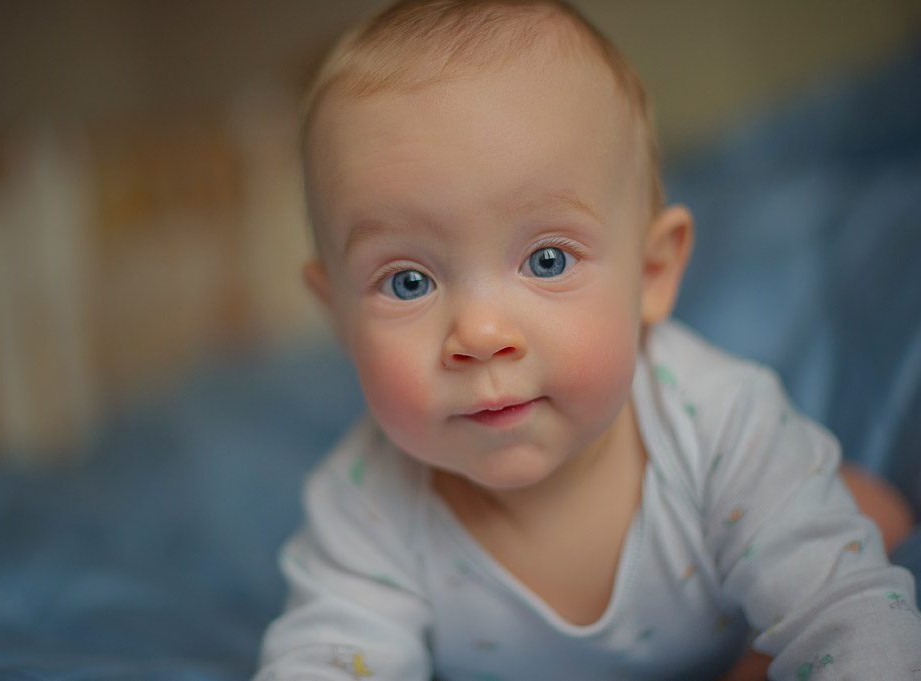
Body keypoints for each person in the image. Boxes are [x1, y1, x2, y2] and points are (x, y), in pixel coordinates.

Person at [255, 1, 921, 679]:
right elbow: (328, 656)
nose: (481, 335)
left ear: (653, 275)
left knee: (858, 526)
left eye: (548, 260)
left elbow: (850, 620)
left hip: (731, 597)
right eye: (406, 282)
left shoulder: (722, 426)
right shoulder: (365, 503)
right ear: (337, 314)